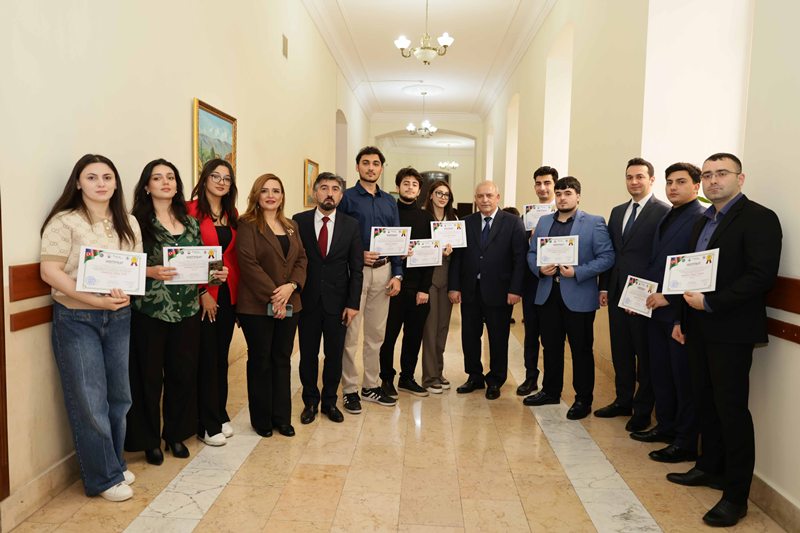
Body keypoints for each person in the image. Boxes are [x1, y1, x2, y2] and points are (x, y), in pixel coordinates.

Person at [666, 153, 782, 528]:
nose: (713, 180)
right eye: (708, 175)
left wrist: (712, 303)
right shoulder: (704, 220)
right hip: (697, 326)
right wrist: (682, 318)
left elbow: (760, 276)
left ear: (740, 178)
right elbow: (689, 274)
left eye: (722, 174)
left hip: (731, 330)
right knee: (705, 400)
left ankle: (735, 496)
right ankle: (709, 467)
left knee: (731, 410)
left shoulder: (759, 218)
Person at [40, 154, 142, 502]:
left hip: (119, 317)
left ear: (116, 183)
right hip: (76, 319)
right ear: (78, 183)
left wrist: (124, 294)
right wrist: (94, 301)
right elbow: (50, 272)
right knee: (90, 400)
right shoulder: (65, 221)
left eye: (107, 177)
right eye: (92, 177)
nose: (101, 183)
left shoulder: (128, 221)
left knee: (120, 397)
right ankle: (103, 478)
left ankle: (115, 462)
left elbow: (134, 268)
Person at [126, 159, 215, 465]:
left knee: (183, 373)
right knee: (147, 377)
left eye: (171, 177)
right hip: (150, 309)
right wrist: (149, 271)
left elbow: (200, 263)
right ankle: (148, 440)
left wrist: (214, 276)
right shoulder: (135, 222)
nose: (165, 182)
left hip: (186, 309)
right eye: (157, 177)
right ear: (146, 186)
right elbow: (124, 264)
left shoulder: (190, 222)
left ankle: (176, 434)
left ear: (177, 185)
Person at [524, 177, 615, 419]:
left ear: (578, 196)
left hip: (578, 295)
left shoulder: (594, 222)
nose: (562, 198)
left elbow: (607, 257)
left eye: (568, 193)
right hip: (548, 294)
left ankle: (583, 399)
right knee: (551, 347)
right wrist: (539, 268)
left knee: (581, 350)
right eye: (559, 193)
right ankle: (550, 391)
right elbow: (532, 253)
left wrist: (578, 272)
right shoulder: (544, 221)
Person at [635, 163, 705, 462]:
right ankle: (665, 427)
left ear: (696, 186)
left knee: (682, 379)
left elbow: (698, 269)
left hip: (679, 312)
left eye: (681, 181)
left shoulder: (700, 218)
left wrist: (672, 300)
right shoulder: (668, 214)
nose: (673, 187)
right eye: (669, 182)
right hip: (655, 309)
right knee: (660, 373)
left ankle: (685, 441)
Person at [596, 158, 669, 431]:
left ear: (651, 180)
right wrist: (604, 287)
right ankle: (623, 400)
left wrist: (644, 294)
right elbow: (612, 254)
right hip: (617, 292)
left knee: (644, 355)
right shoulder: (617, 212)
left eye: (640, 176)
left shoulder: (663, 212)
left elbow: (661, 257)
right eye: (629, 177)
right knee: (621, 351)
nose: (634, 181)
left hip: (644, 296)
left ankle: (643, 409)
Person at [237, 174, 307, 438]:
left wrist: (292, 287)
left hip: (291, 303)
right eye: (264, 190)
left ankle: (282, 417)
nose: (270, 195)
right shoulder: (247, 225)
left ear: (282, 196)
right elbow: (248, 263)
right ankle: (262, 419)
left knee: (282, 359)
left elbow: (301, 259)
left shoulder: (291, 226)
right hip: (256, 307)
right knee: (260, 360)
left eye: (276, 191)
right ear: (256, 195)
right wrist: (275, 295)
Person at [293, 172, 363, 424]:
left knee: (334, 356)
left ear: (341, 196)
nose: (329, 193)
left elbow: (356, 268)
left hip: (339, 303)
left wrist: (353, 304)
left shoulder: (351, 225)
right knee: (308, 356)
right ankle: (310, 402)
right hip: (308, 301)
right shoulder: (298, 221)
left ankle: (330, 402)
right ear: (315, 193)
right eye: (324, 188)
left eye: (335, 189)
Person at [448, 180, 527, 400]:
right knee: (470, 336)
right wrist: (454, 286)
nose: (485, 200)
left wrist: (516, 289)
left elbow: (520, 259)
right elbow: (457, 258)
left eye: (489, 196)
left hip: (500, 291)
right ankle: (474, 376)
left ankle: (495, 379)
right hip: (470, 291)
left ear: (497, 197)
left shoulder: (513, 222)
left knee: (498, 338)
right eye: (480, 196)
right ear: (475, 198)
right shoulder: (466, 222)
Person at [337, 146, 400, 413]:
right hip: (356, 273)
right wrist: (357, 254)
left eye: (375, 163)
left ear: (381, 168)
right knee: (351, 334)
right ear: (357, 167)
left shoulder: (389, 202)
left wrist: (397, 273)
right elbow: (339, 235)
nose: (371, 167)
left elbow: (397, 238)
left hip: (384, 272)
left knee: (376, 334)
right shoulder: (347, 198)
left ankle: (371, 386)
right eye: (366, 163)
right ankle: (350, 389)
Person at [187, 158, 239, 445]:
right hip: (204, 295)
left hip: (228, 293)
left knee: (221, 356)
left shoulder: (232, 213)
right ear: (204, 178)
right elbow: (186, 255)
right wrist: (201, 291)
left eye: (227, 178)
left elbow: (232, 255)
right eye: (216, 176)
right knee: (206, 358)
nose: (221, 182)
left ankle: (219, 412)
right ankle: (206, 424)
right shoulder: (190, 211)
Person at [378, 167, 435, 397]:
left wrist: (424, 289)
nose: (410, 187)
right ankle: (386, 378)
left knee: (413, 336)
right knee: (388, 336)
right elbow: (379, 245)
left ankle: (407, 377)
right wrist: (395, 252)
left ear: (419, 190)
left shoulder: (426, 217)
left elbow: (431, 256)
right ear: (398, 187)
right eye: (406, 183)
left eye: (414, 184)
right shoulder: (388, 213)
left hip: (417, 287)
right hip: (391, 285)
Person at [517, 166, 558, 396]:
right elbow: (520, 251)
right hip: (533, 283)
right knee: (531, 334)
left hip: (558, 285)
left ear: (555, 185)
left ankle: (552, 384)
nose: (542, 188)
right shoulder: (526, 217)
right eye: (538, 183)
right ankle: (530, 377)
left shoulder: (564, 213)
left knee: (552, 338)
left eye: (547, 183)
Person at [421, 179, 456, 394]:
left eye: (446, 194)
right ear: (431, 195)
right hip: (429, 279)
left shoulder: (454, 221)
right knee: (430, 329)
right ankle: (429, 376)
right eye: (439, 193)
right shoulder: (423, 218)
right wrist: (437, 251)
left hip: (447, 279)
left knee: (442, 329)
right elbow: (417, 248)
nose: (443, 197)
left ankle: (438, 372)